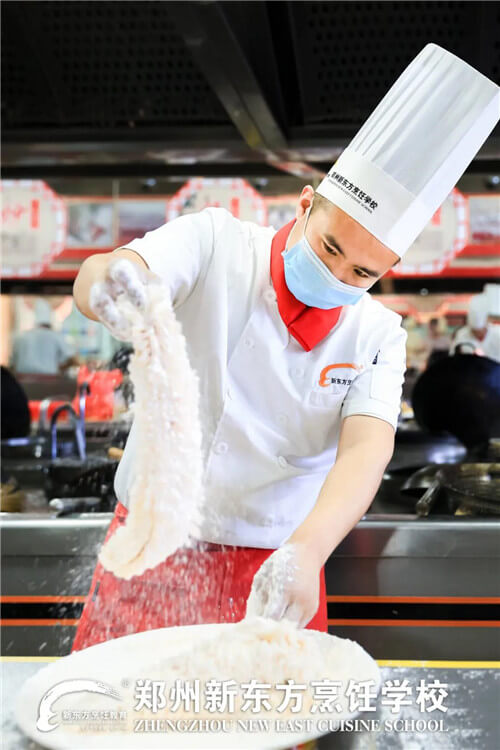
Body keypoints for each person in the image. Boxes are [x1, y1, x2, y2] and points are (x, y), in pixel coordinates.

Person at [70, 44, 500, 651]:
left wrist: (308, 551)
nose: (338, 276)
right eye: (329, 248)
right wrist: (111, 287)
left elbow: (365, 450)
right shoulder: (216, 242)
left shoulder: (378, 334)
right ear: (304, 205)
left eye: (362, 273)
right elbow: (110, 270)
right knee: (113, 707)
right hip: (149, 543)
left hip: (277, 562)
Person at [10, 300, 75, 375]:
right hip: (49, 379)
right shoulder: (56, 336)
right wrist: (60, 367)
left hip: (22, 379)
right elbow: (70, 359)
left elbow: (13, 362)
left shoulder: (22, 337)